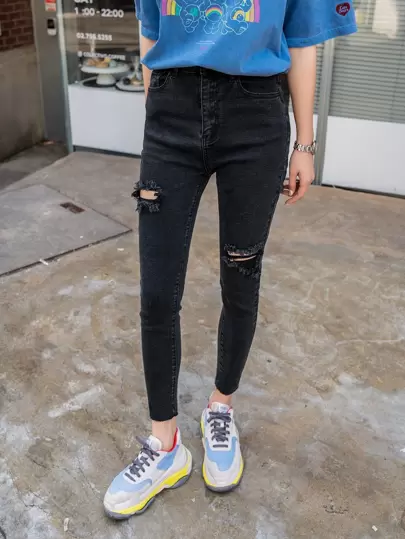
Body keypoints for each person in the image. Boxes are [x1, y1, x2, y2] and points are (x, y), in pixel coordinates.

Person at [104, 0, 357, 519]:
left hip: (256, 114)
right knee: (157, 293)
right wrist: (156, 115)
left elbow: (302, 39)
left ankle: (221, 407)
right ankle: (165, 445)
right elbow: (150, 29)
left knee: (240, 276)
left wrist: (305, 144)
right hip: (171, 110)